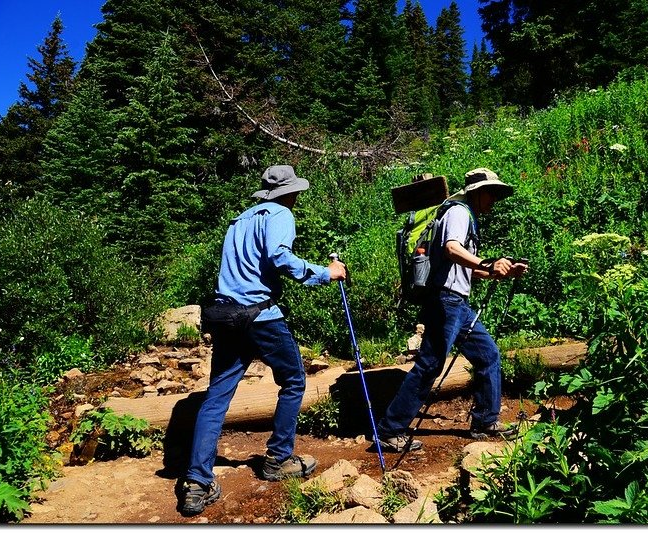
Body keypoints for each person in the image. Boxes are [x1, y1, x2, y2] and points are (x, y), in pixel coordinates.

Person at [178, 165, 346, 516]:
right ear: (291, 192)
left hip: (228, 317)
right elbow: (279, 257)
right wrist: (324, 273)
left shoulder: (239, 221)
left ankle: (197, 481)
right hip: (262, 317)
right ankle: (278, 459)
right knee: (293, 380)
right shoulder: (281, 213)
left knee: (216, 398)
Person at [376, 167, 528, 453]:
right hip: (445, 301)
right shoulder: (459, 212)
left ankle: (485, 420)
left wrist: (500, 271)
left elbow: (465, 268)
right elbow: (451, 249)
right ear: (478, 193)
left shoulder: (466, 216)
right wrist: (487, 263)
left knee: (487, 354)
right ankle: (390, 429)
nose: (493, 200)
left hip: (457, 303)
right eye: (491, 194)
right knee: (431, 364)